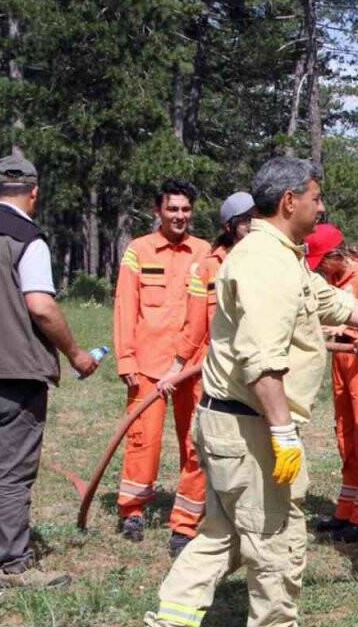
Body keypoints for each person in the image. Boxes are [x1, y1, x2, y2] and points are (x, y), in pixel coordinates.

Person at [145, 157, 358, 627]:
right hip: (252, 426)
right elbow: (261, 360)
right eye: (315, 198)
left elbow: (327, 301)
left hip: (233, 421)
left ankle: (171, 618)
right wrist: (282, 434)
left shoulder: (282, 254)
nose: (321, 208)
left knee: (223, 535)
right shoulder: (266, 263)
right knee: (274, 541)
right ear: (289, 201)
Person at [0, 155, 98, 587]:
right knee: (11, 471)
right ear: (34, 193)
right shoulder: (29, 240)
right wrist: (76, 354)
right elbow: (41, 307)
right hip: (15, 377)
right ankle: (13, 565)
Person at [154, 191, 259, 557]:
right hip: (212, 375)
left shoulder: (267, 262)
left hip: (255, 375)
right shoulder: (208, 268)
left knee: (253, 451)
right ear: (230, 226)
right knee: (201, 448)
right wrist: (176, 368)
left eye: (257, 219)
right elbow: (194, 324)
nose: (253, 226)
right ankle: (184, 526)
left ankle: (245, 526)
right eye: (246, 221)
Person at [112, 179, 211, 550]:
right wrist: (126, 358)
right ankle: (133, 510)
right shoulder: (139, 250)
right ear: (158, 211)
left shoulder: (204, 251)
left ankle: (187, 517)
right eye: (172, 209)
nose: (179, 216)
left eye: (185, 209)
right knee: (143, 439)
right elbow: (125, 305)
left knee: (195, 441)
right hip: (148, 364)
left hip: (193, 364)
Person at [306, 223, 358, 543]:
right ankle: (347, 510)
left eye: (323, 262)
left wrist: (346, 331)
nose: (320, 270)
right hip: (342, 362)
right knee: (345, 435)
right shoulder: (334, 282)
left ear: (336, 255)